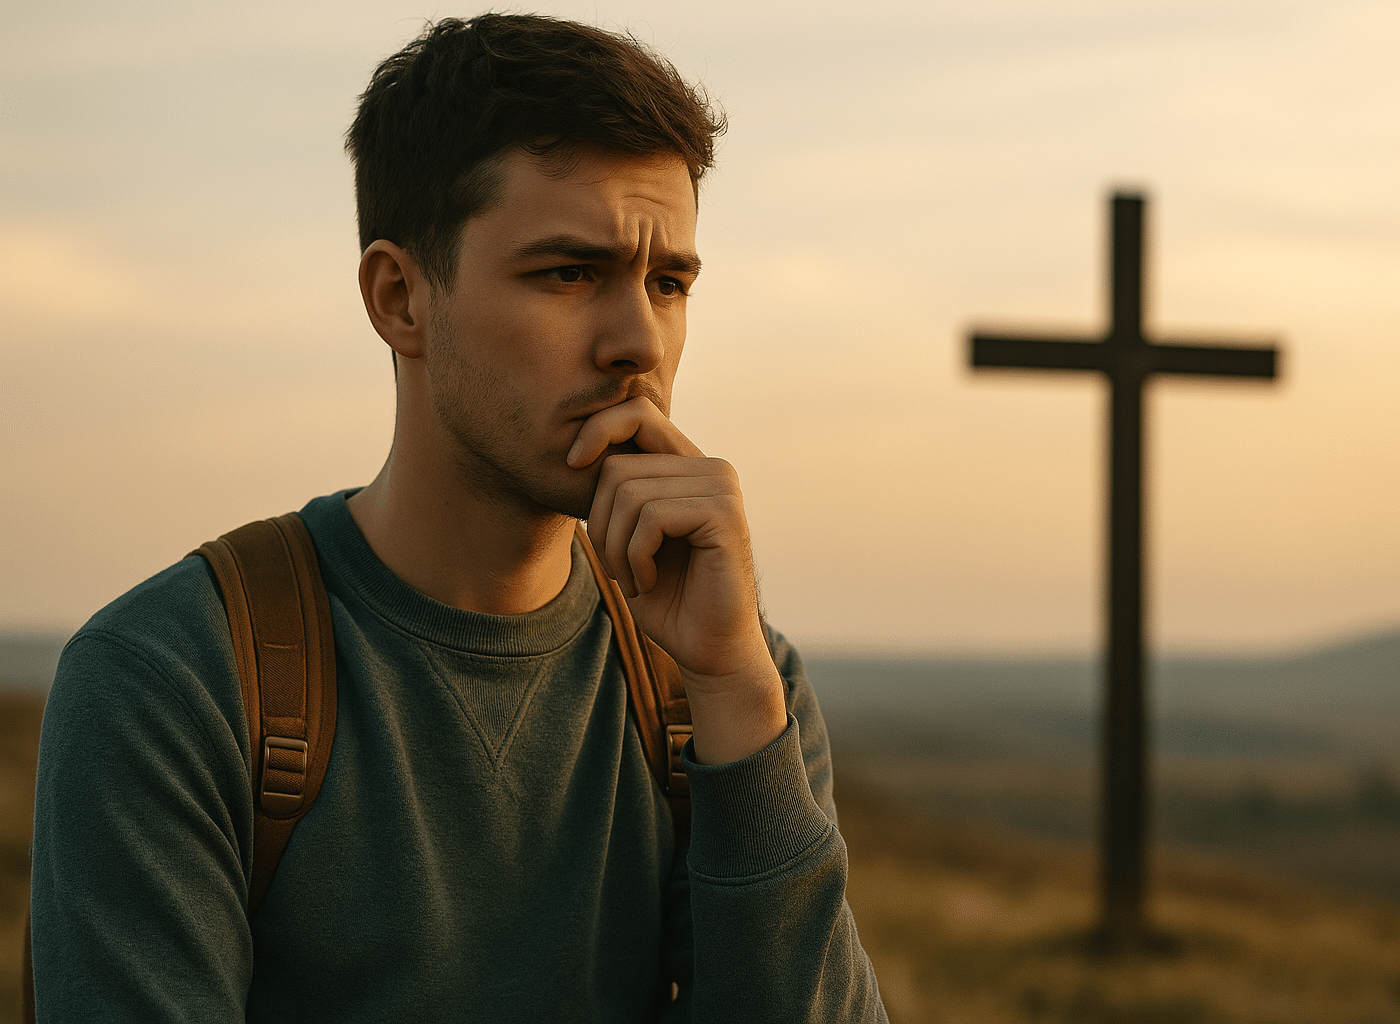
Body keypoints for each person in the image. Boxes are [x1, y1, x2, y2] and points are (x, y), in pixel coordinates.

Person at [29, 13, 887, 1022]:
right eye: (570, 273)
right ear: (400, 298)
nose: (638, 342)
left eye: (669, 282)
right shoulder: (174, 679)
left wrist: (737, 693)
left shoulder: (732, 683)